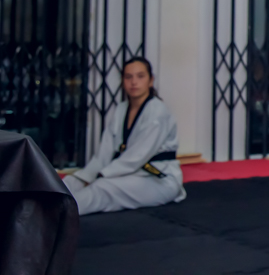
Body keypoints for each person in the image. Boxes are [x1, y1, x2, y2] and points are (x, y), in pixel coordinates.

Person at [62, 57, 185, 215]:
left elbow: (137, 157)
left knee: (103, 187)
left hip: (158, 179)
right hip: (128, 173)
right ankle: (43, 206)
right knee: (73, 181)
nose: (134, 82)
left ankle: (59, 214)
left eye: (140, 76)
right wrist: (88, 175)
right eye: (128, 77)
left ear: (151, 80)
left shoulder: (158, 112)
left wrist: (102, 175)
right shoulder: (121, 109)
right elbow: (104, 153)